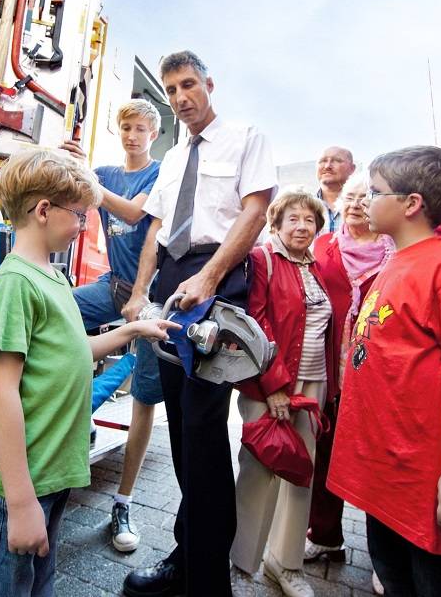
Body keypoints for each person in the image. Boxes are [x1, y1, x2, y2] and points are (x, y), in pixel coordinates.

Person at [0, 149, 176, 597]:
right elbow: (2, 394)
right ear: (43, 211)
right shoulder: (17, 282)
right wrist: (20, 504)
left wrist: (131, 329)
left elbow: (73, 352)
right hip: (13, 489)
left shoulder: (52, 278)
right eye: (79, 214)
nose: (83, 225)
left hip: (49, 477)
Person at [120, 50, 276, 597]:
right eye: (171, 90)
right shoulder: (174, 154)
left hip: (218, 279)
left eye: (189, 85)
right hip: (171, 287)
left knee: (204, 432)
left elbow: (255, 212)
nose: (181, 98)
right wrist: (141, 292)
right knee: (183, 430)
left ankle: (208, 580)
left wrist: (210, 279)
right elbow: (158, 228)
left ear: (209, 83)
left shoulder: (245, 137)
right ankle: (188, 559)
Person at [327, 146, 441, 596]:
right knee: (394, 578)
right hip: (385, 481)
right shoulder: (395, 262)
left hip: (424, 486)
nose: (365, 200)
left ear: (411, 204)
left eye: (376, 191)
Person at [231, 190, 348, 597]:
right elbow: (256, 323)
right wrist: (275, 386)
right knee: (259, 469)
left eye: (310, 220)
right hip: (271, 383)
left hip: (315, 385)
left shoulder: (321, 266)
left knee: (301, 475)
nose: (302, 227)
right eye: (293, 219)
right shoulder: (263, 259)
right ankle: (242, 560)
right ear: (277, 224)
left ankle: (286, 563)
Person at [62, 99, 165, 553]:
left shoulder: (159, 173)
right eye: (126, 127)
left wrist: (89, 179)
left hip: (151, 295)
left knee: (143, 397)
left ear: (153, 135)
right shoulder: (101, 170)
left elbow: (133, 215)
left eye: (141, 128)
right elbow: (67, 193)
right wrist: (66, 163)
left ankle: (123, 501)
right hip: (114, 284)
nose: (132, 135)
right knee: (58, 314)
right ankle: (74, 416)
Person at [306, 174, 395, 594]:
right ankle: (324, 536)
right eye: (351, 197)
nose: (357, 203)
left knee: (378, 463)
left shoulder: (397, 252)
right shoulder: (322, 246)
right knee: (323, 452)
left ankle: (386, 560)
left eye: (367, 197)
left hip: (377, 373)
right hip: (328, 366)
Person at [315, 146, 355, 233]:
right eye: (323, 161)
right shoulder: (304, 205)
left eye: (337, 160)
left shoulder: (363, 207)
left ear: (352, 168)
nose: (327, 166)